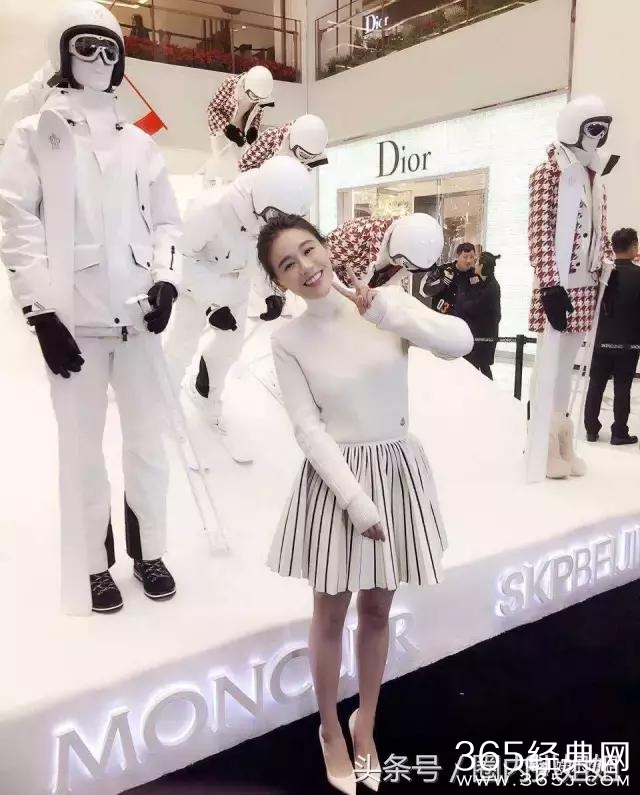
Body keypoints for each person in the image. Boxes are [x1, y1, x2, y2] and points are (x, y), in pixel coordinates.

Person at [256, 214, 472, 794]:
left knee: (378, 611)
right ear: (278, 280)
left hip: (397, 471)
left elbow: (459, 342)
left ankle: (366, 724)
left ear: (327, 247)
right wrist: (355, 500)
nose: (306, 267)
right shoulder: (288, 340)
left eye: (309, 250)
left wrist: (385, 312)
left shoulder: (383, 305)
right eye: (287, 264)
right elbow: (307, 428)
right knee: (329, 613)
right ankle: (330, 729)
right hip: (338, 484)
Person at [0, 1, 182, 615]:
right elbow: (18, 223)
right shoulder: (35, 135)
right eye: (87, 47)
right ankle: (92, 564)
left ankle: (149, 550)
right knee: (82, 449)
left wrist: (167, 280)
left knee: (147, 444)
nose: (101, 60)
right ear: (62, 53)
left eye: (111, 50)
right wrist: (40, 312)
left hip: (137, 323)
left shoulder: (139, 143)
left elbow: (167, 221)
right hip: (74, 323)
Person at [165, 157, 313, 435]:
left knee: (230, 348)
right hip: (197, 286)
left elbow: (257, 257)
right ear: (266, 200)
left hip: (236, 287)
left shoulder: (269, 214)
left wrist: (271, 293)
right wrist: (212, 304)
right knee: (181, 347)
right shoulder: (210, 209)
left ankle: (206, 392)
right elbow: (180, 258)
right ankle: (162, 405)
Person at [526, 95, 615, 481]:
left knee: (569, 366)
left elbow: (601, 230)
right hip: (558, 285)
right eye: (594, 128)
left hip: (586, 284)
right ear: (573, 128)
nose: (600, 136)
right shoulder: (548, 173)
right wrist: (549, 284)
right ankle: (542, 444)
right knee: (549, 364)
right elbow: (539, 231)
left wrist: (608, 270)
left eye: (605, 129)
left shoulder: (595, 175)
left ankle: (562, 440)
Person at [584, 227, 640, 444]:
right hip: (629, 343)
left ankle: (591, 429)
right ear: (634, 246)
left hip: (602, 340)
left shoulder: (602, 274)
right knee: (623, 387)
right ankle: (619, 432)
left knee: (596, 384)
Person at [327, 213, 444, 290]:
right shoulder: (358, 234)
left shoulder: (404, 259)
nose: (409, 269)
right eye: (408, 265)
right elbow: (321, 265)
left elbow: (387, 286)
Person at [204, 66, 274, 185]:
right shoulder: (230, 84)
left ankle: (229, 188)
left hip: (240, 128)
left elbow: (257, 114)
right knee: (223, 159)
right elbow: (212, 109)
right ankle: (208, 180)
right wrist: (227, 128)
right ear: (247, 86)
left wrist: (253, 129)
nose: (256, 100)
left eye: (260, 99)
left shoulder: (262, 93)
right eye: (254, 97)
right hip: (220, 127)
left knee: (237, 165)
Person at [456, 250, 502, 379]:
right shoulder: (485, 283)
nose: (473, 264)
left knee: (478, 367)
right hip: (481, 334)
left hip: (484, 337)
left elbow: (475, 307)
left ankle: (484, 390)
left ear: (482, 266)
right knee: (481, 367)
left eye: (476, 262)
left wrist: (462, 302)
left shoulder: (492, 287)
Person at [238, 114, 329, 172]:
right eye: (303, 155)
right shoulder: (272, 137)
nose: (306, 159)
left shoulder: (315, 152)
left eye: (310, 157)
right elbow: (244, 165)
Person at [419, 241, 476, 314]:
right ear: (457, 256)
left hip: (464, 319)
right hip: (441, 317)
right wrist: (443, 281)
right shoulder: (442, 270)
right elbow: (425, 290)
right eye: (465, 257)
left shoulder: (475, 274)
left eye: (471, 257)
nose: (468, 260)